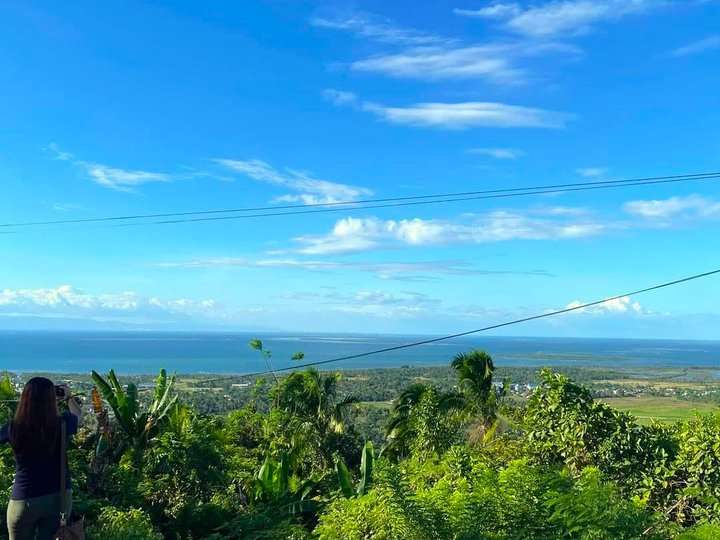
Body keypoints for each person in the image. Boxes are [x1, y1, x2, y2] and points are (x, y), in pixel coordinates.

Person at [0, 377, 83, 540]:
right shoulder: (63, 423)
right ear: (52, 399)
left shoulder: (13, 427)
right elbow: (78, 415)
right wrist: (69, 397)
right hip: (58, 498)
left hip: (24, 498)